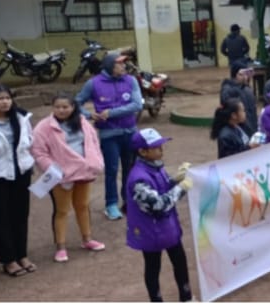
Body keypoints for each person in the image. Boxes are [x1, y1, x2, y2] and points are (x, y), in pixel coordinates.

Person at [31, 93, 107, 265]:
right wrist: (54, 169)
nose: (61, 110)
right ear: (52, 108)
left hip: (83, 172)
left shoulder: (82, 122)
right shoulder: (44, 127)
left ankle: (87, 238)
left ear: (73, 107)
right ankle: (60, 246)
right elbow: (39, 152)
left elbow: (93, 142)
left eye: (65, 107)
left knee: (82, 206)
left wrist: (95, 161)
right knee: (62, 210)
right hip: (61, 176)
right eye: (58, 107)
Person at [125, 128, 193, 303]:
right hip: (151, 232)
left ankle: (186, 298)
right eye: (156, 147)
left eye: (161, 146)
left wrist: (175, 180)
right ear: (142, 151)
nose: (161, 150)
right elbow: (159, 205)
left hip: (168, 228)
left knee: (180, 262)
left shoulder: (156, 166)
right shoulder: (138, 179)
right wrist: (181, 187)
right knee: (153, 267)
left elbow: (162, 188)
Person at [75, 52, 143, 221]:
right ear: (109, 66)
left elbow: (136, 105)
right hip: (109, 135)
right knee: (111, 170)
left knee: (130, 168)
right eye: (119, 64)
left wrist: (110, 113)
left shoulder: (131, 80)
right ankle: (111, 204)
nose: (124, 67)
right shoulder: (94, 84)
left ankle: (128, 202)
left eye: (124, 63)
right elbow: (76, 103)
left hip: (130, 131)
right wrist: (89, 115)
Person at [0, 85, 36, 277]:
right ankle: (8, 260)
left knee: (21, 215)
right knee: (2, 219)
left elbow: (29, 141)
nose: (4, 101)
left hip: (21, 172)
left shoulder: (21, 118)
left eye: (7, 98)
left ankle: (22, 255)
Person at [221, 60, 259, 136]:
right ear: (234, 75)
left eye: (246, 74)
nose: (245, 77)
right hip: (239, 131)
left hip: (252, 129)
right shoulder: (227, 90)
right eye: (241, 74)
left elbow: (253, 111)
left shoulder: (247, 89)